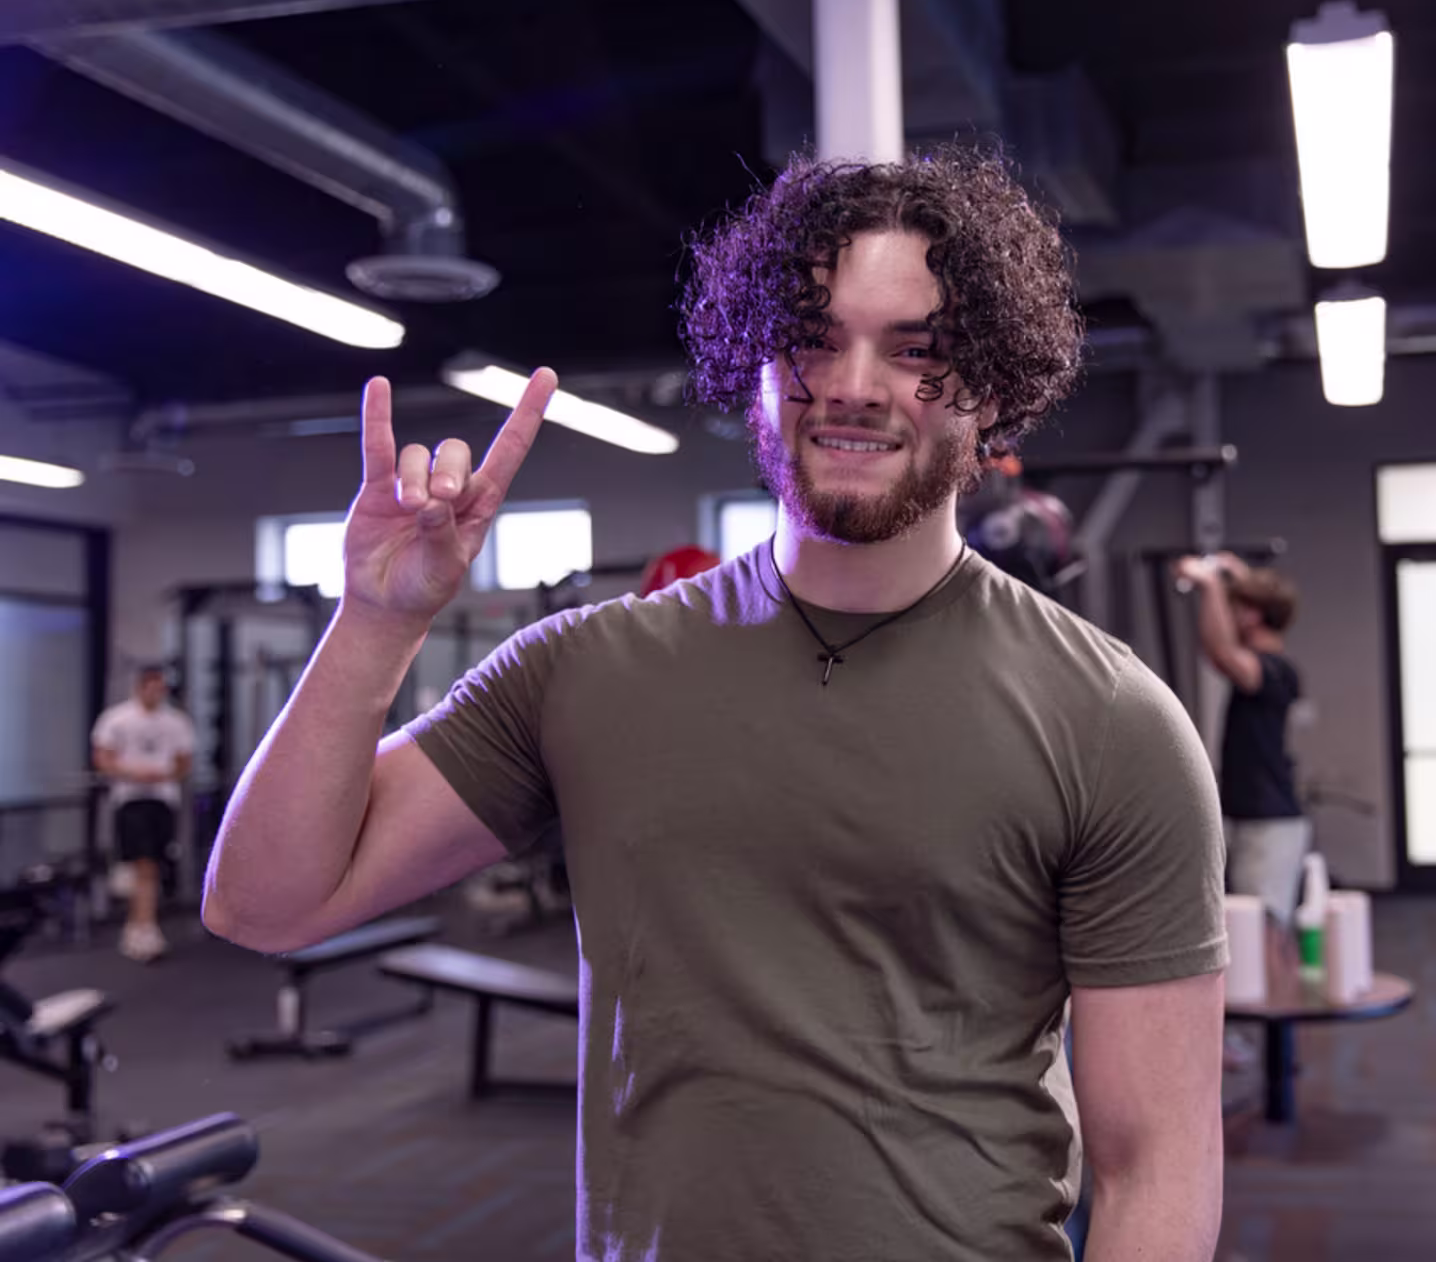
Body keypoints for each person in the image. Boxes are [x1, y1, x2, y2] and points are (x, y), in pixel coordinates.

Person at [203, 147, 1227, 1262]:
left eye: (917, 350)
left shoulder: (1112, 720)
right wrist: (375, 620)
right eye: (816, 336)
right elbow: (263, 904)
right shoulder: (582, 671)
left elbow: (1156, 1165)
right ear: (756, 359)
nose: (854, 383)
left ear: (986, 390)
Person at [1174, 553, 1308, 930]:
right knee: (1244, 930)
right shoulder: (1268, 665)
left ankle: (1279, 990)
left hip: (1270, 824)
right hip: (1248, 816)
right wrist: (1240, 577)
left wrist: (1211, 585)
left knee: (1261, 931)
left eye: (1236, 609)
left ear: (1251, 616)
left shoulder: (1276, 671)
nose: (1227, 617)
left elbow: (1221, 652)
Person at [91, 664, 196, 962]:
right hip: (130, 799)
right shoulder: (117, 719)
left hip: (163, 800)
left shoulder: (176, 722)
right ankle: (144, 927)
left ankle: (138, 925)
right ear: (139, 687)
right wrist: (133, 773)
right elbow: (103, 758)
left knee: (152, 866)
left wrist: (162, 775)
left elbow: (183, 763)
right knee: (144, 864)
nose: (156, 692)